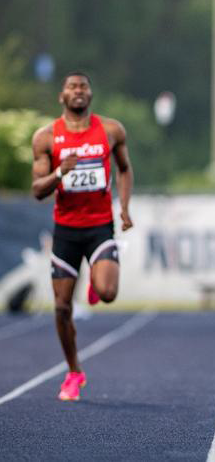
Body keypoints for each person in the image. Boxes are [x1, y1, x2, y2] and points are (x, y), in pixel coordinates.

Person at [30, 72, 134, 401]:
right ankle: (74, 372)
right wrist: (60, 172)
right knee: (62, 308)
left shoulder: (111, 130)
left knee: (107, 293)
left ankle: (95, 277)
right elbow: (37, 190)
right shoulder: (46, 137)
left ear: (90, 94)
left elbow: (124, 169)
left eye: (83, 86)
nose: (78, 91)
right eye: (72, 87)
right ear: (61, 96)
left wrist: (124, 207)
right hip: (66, 232)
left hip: (99, 226)